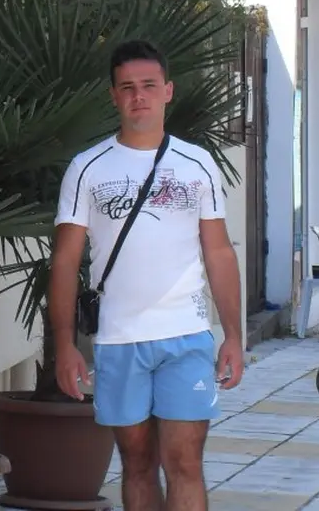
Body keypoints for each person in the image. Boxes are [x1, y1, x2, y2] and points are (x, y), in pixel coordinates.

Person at [48, 39, 244, 511]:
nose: (139, 96)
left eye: (149, 85)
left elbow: (218, 252)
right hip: (119, 340)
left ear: (168, 91)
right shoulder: (87, 168)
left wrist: (234, 335)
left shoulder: (197, 163)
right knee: (136, 463)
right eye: (128, 87)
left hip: (186, 336)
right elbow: (66, 261)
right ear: (114, 95)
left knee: (185, 462)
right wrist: (64, 344)